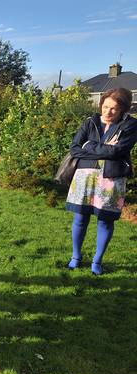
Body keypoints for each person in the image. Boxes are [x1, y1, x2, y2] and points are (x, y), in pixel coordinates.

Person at [66, 87, 137, 275]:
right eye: (105, 107)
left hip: (111, 179)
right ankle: (75, 256)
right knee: (80, 218)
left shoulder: (130, 125)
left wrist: (89, 145)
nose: (108, 112)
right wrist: (104, 148)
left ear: (123, 109)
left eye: (114, 108)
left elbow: (118, 151)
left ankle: (97, 262)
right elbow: (75, 148)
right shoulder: (91, 121)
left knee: (105, 221)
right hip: (85, 177)